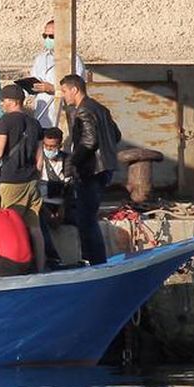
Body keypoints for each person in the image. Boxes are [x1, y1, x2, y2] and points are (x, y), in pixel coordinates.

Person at [60, 74, 122, 265]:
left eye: (64, 91)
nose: (63, 95)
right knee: (87, 216)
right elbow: (116, 134)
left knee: (86, 219)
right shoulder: (99, 108)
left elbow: (89, 141)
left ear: (75, 90)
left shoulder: (84, 111)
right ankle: (95, 259)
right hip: (104, 168)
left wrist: (72, 161)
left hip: (92, 170)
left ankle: (96, 262)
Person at [0, 84, 45, 273]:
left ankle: (9, 266)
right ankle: (40, 267)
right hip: (31, 180)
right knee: (35, 227)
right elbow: (40, 158)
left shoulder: (5, 121)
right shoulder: (35, 123)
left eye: (3, 100)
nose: (1, 104)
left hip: (11, 180)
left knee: (8, 225)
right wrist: (36, 175)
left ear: (13, 101)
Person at [30, 19, 86, 128]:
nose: (47, 39)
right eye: (45, 36)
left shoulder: (74, 60)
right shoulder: (40, 59)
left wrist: (53, 89)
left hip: (63, 116)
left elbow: (78, 89)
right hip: (42, 114)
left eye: (51, 37)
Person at [37, 127, 69, 266]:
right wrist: (46, 211)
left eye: (52, 146)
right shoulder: (38, 161)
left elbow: (70, 187)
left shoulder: (67, 160)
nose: (49, 149)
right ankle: (53, 257)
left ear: (59, 145)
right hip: (42, 204)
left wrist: (62, 209)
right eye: (46, 146)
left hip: (61, 204)